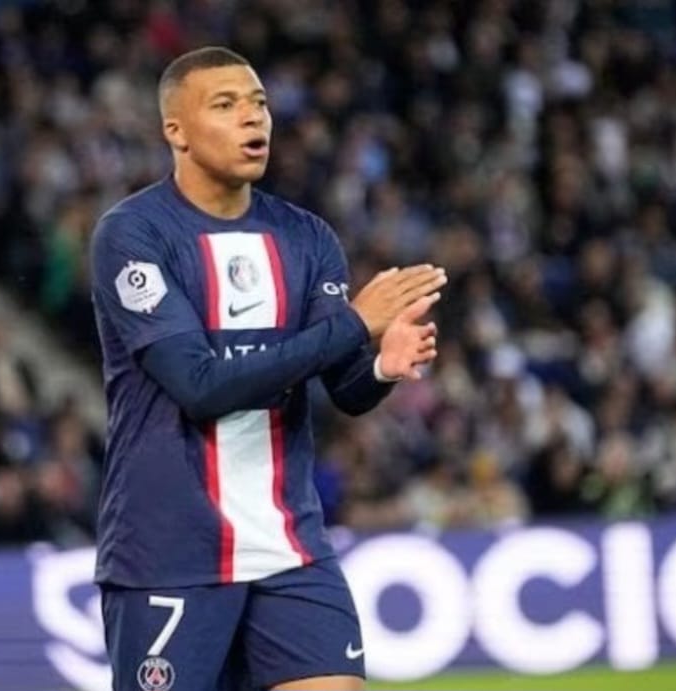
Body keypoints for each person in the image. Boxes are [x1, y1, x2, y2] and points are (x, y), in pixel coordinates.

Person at [89, 46, 447, 691]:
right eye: (225, 105)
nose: (253, 118)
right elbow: (199, 387)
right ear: (177, 131)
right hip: (173, 553)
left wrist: (382, 368)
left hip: (290, 546)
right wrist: (351, 326)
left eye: (258, 103)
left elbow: (344, 388)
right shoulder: (134, 235)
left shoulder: (306, 237)